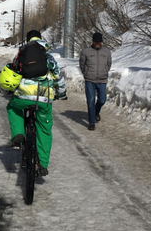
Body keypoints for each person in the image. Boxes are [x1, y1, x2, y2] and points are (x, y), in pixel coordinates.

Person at [6, 30, 67, 176]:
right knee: (44, 129)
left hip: (23, 95)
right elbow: (58, 78)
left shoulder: (22, 54)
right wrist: (61, 93)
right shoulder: (48, 57)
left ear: (27, 41)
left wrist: (10, 90)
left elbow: (14, 74)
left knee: (12, 108)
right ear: (41, 40)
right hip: (44, 98)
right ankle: (43, 165)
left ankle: (18, 134)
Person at [79, 32, 112, 131]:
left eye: (100, 42)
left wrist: (104, 71)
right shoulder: (86, 51)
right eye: (96, 42)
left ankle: (96, 111)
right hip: (90, 80)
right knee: (90, 101)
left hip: (102, 79)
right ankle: (91, 123)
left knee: (102, 100)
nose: (98, 44)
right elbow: (82, 64)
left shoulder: (106, 51)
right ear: (92, 41)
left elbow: (109, 63)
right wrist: (86, 73)